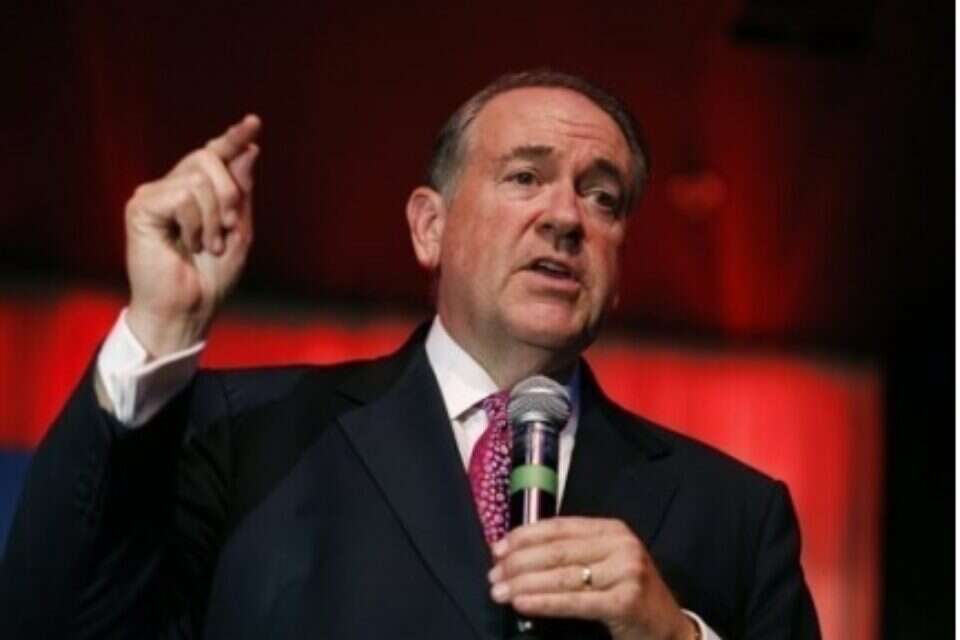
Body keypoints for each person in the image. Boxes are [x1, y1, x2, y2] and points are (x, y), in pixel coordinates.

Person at [0, 71, 819, 639]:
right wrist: (158, 327)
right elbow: (54, 620)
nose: (567, 217)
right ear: (430, 227)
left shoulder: (737, 517)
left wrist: (675, 639)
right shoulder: (248, 433)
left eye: (602, 196)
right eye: (524, 177)